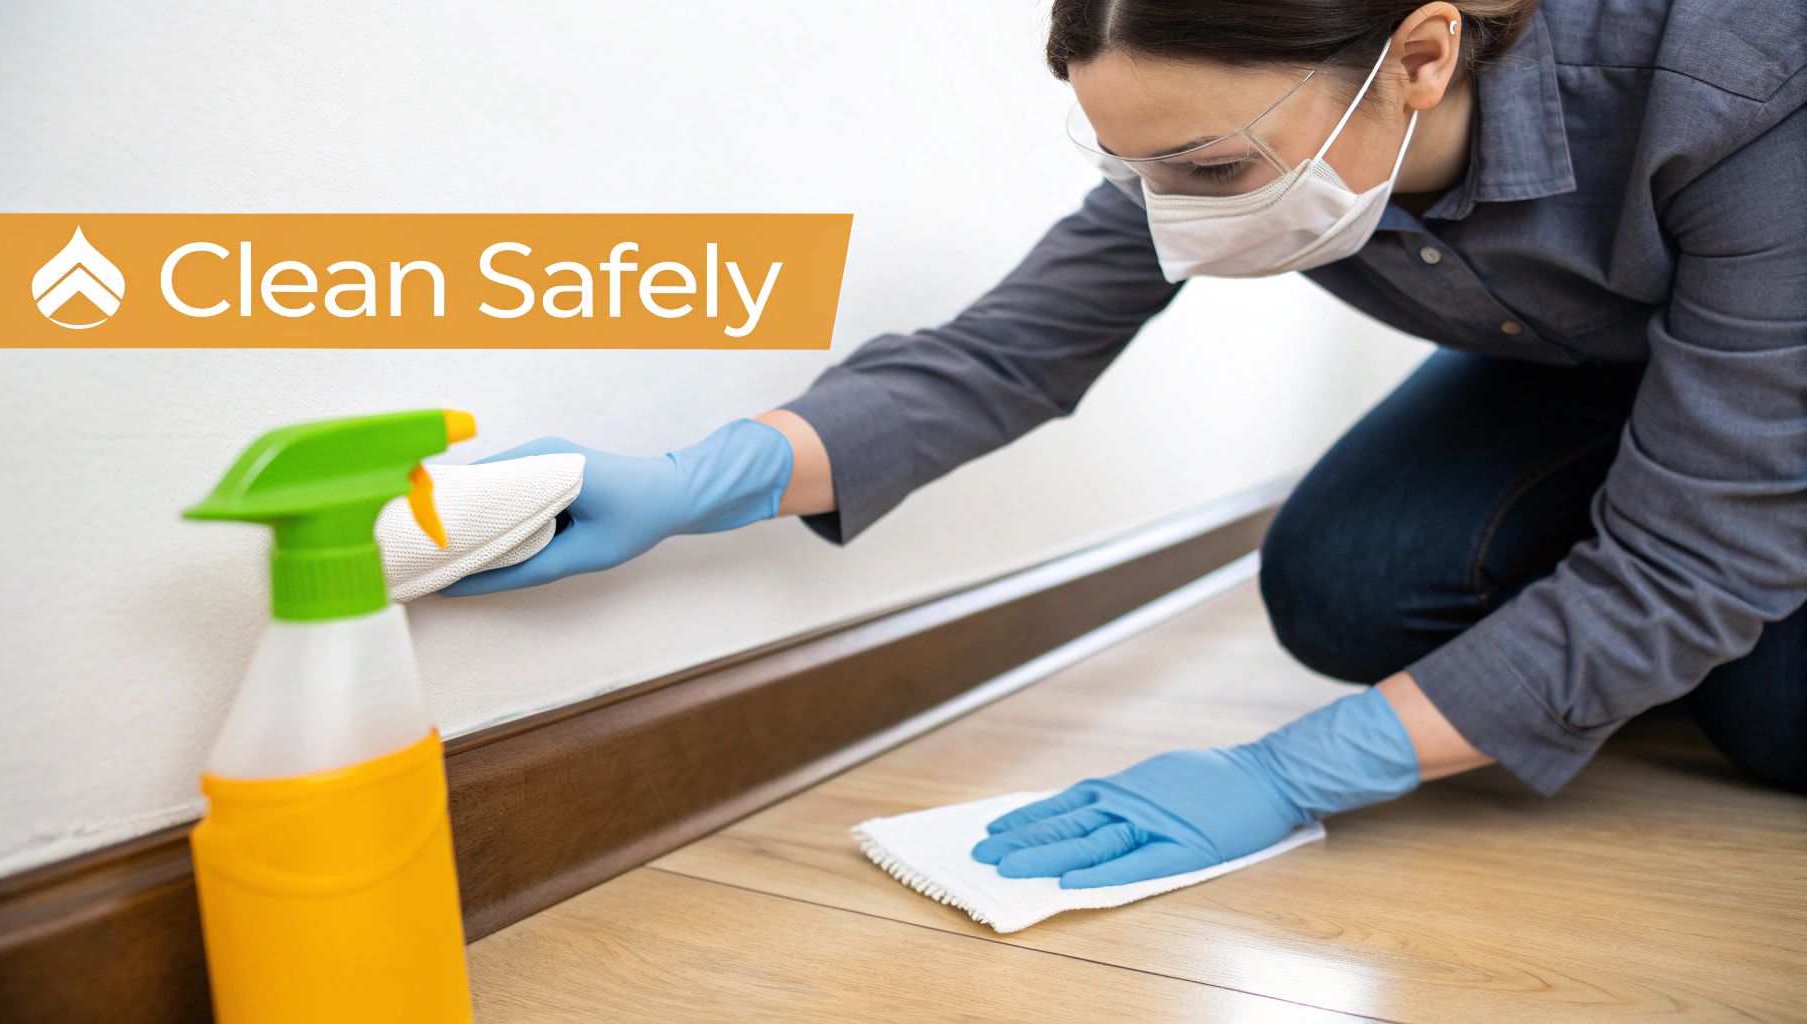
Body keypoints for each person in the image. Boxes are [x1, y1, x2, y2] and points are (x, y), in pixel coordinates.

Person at [447, 0, 1807, 888]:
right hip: (1592, 372)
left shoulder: (1736, 89)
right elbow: (1003, 354)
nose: (1173, 208)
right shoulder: (1224, 122)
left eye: (1208, 169)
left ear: (1420, 57)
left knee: (1773, 719)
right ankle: (1598, 656)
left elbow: (1689, 562)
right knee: (1342, 585)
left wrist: (1290, 772)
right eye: (1131, 167)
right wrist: (697, 485)